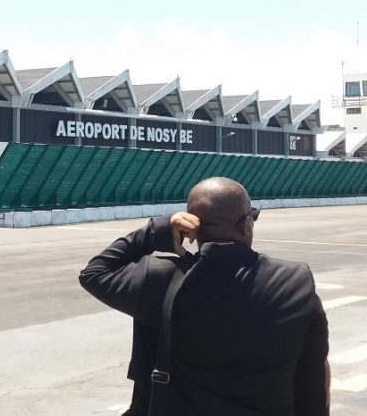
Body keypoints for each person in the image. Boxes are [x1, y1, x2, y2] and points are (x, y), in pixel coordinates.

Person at [79, 177, 330, 416]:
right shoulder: (294, 280)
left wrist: (158, 230)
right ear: (245, 225)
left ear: (191, 226)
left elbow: (95, 272)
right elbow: (312, 379)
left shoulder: (160, 279)